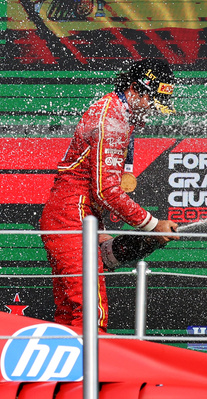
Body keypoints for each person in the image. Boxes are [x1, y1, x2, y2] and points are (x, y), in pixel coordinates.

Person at [40, 59, 180, 329]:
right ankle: (91, 372)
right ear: (135, 91)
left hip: (75, 216)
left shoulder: (113, 111)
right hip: (74, 217)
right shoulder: (113, 120)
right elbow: (106, 192)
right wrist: (154, 225)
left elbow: (94, 189)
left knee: (70, 316)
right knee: (91, 316)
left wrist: (106, 237)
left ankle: (69, 372)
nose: (152, 113)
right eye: (152, 104)